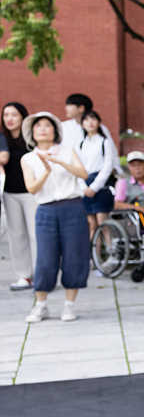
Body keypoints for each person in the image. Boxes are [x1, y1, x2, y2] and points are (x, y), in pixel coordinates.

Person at [20, 112, 89, 322]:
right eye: (38, 126)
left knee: (74, 256)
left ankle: (69, 306)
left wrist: (60, 162)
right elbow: (32, 188)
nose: (42, 129)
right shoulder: (28, 158)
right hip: (46, 210)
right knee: (45, 258)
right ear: (32, 132)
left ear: (55, 131)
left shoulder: (67, 151)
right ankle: (41, 305)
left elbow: (83, 174)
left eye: (47, 126)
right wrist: (47, 171)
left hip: (73, 207)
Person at [2, 102, 37, 290]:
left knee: (36, 234)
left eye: (14, 115)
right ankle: (24, 276)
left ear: (23, 116)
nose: (9, 119)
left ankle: (41, 273)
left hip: (32, 193)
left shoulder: (31, 139)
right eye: (6, 115)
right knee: (16, 235)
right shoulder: (2, 139)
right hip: (9, 193)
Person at [79, 109, 116, 243]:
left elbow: (107, 166)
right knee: (91, 224)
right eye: (86, 120)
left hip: (101, 185)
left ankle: (112, 255)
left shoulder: (104, 142)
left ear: (99, 122)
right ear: (82, 124)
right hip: (85, 183)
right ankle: (94, 258)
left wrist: (94, 187)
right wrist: (83, 187)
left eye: (93, 119)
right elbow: (78, 168)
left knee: (103, 222)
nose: (90, 122)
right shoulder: (82, 143)